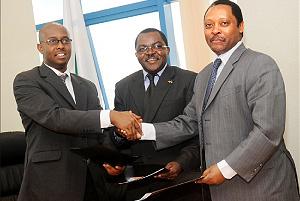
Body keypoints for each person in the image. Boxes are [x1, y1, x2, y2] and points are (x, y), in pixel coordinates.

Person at [124, 1, 300, 201]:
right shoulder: (205, 76)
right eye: (209, 25)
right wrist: (140, 129)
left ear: (241, 27)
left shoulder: (261, 65)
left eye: (223, 23)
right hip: (221, 190)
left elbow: (268, 131)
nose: (215, 30)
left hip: (263, 187)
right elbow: (188, 122)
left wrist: (225, 168)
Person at [13, 22, 141, 201]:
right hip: (52, 182)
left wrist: (110, 160)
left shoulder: (87, 86)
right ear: (40, 47)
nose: (60, 45)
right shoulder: (27, 81)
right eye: (53, 41)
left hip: (92, 181)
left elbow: (98, 131)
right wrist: (110, 116)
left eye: (65, 40)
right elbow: (55, 117)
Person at [103, 28, 201, 201]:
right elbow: (118, 136)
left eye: (157, 46)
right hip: (139, 183)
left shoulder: (189, 80)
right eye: (143, 48)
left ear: (167, 50)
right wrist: (116, 155)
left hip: (179, 181)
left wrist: (181, 163)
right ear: (136, 54)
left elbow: (197, 131)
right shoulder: (123, 87)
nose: (150, 52)